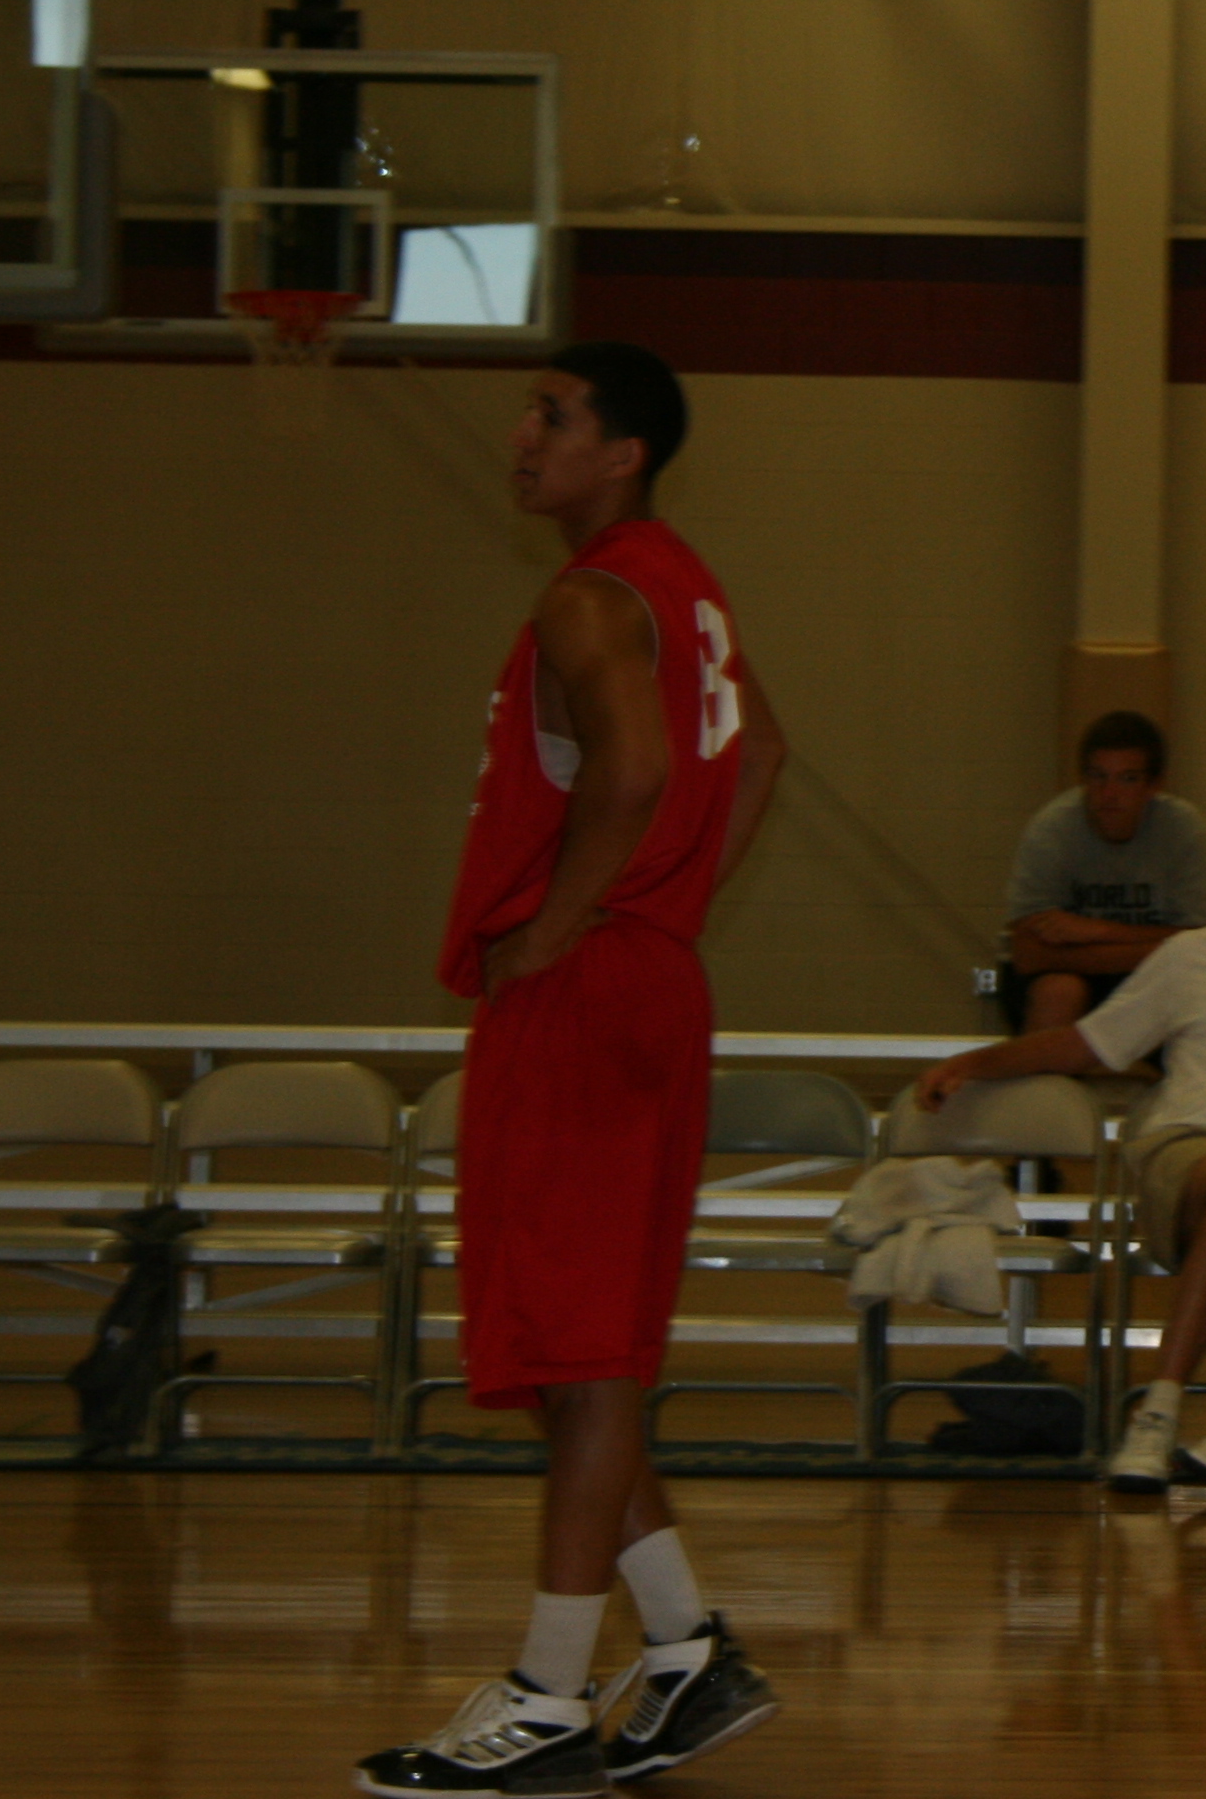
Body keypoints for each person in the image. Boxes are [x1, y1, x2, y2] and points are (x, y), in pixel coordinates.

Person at [360, 343, 791, 1799]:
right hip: (646, 973)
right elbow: (764, 753)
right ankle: (684, 1652)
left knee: (586, 1361)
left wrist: (560, 928)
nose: (521, 433)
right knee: (572, 1348)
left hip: (588, 984)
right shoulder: (685, 588)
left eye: (553, 415)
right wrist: (665, 913)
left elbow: (635, 772)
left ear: (623, 452)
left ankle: (547, 1698)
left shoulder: (592, 596)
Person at [915, 793, 1206, 1495]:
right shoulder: (1196, 954)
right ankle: (1156, 1416)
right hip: (1192, 1147)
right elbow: (1089, 1043)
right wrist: (977, 1062)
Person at [996, 710, 1206, 1036]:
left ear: (1154, 786)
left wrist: (1094, 931)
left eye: (1127, 779)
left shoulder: (1182, 829)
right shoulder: (1052, 830)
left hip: (1141, 975)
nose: (1109, 794)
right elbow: (1029, 954)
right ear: (1082, 780)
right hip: (1067, 979)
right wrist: (1153, 947)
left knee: (1201, 991)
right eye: (1098, 777)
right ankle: (1040, 1071)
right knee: (1060, 992)